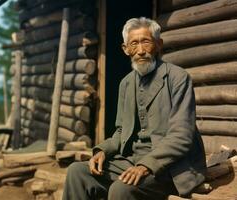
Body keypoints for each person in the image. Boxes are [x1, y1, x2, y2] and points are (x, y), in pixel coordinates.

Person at [62, 17, 207, 200]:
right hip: (132, 159)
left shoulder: (178, 78)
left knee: (122, 189)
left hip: (172, 166)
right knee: (77, 172)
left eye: (146, 42)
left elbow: (182, 136)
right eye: (134, 44)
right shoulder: (126, 83)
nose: (140, 51)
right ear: (125, 50)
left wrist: (146, 165)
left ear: (158, 44)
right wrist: (102, 151)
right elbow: (122, 131)